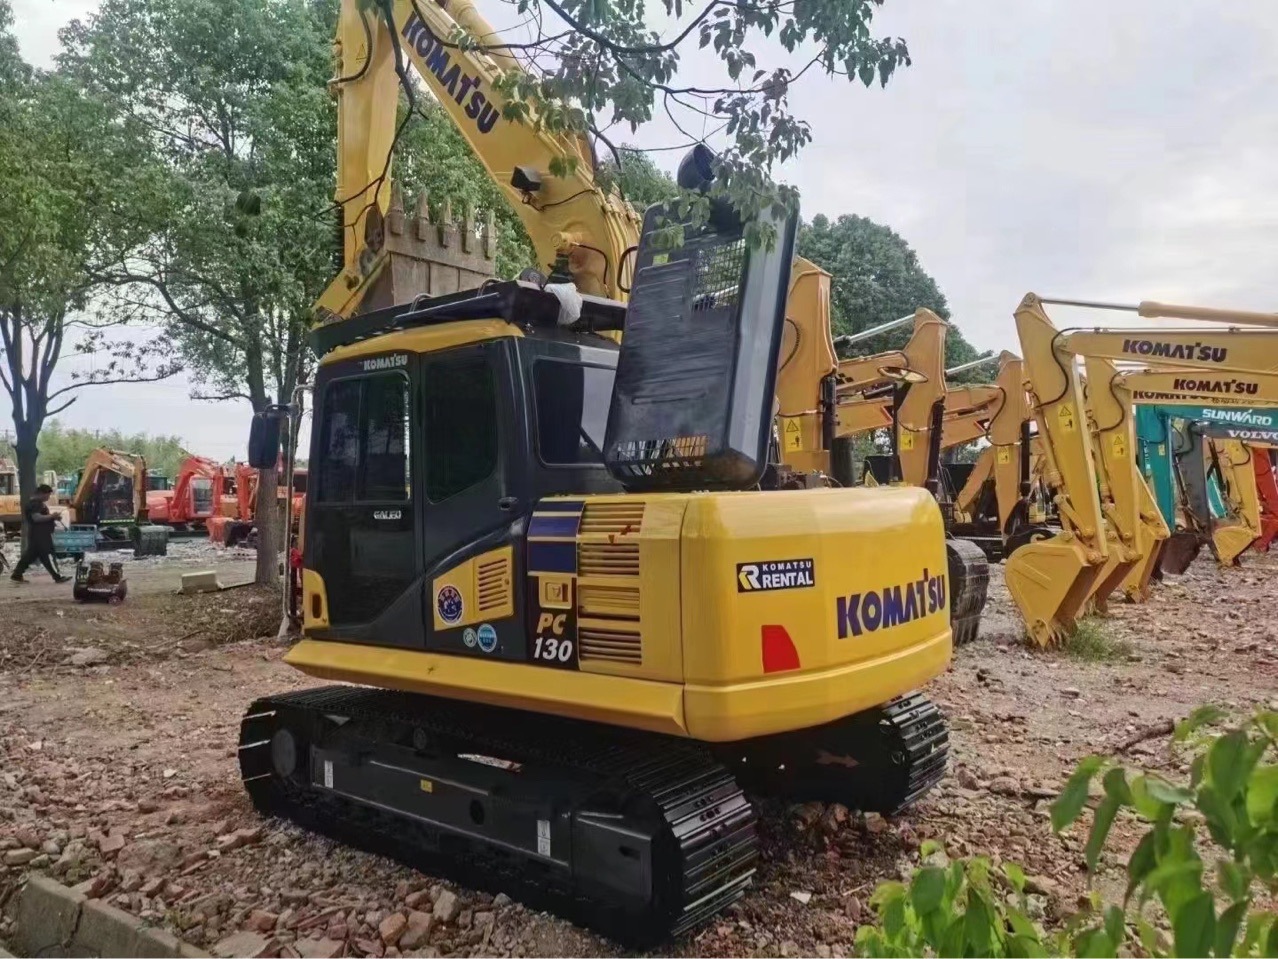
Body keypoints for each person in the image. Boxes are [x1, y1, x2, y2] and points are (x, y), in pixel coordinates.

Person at [11, 484, 70, 584]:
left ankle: (17, 574)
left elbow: (41, 516)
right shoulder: (35, 504)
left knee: (31, 555)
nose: (48, 497)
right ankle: (57, 576)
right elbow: (36, 518)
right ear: (41, 493)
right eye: (47, 495)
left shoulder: (37, 503)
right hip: (40, 535)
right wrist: (52, 517)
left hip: (38, 534)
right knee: (47, 554)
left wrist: (53, 517)